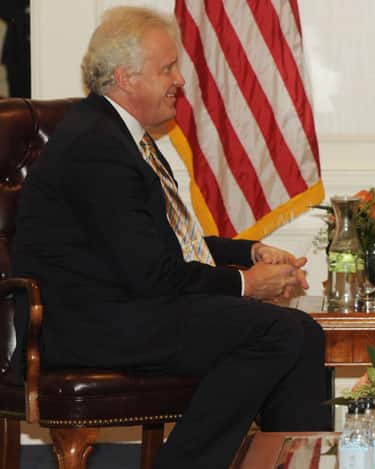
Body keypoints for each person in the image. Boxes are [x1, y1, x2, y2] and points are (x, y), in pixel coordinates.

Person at [11, 6, 328, 468]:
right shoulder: (97, 147)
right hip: (88, 324)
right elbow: (153, 271)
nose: (180, 79)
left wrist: (250, 252)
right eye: (167, 68)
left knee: (301, 333)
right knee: (278, 332)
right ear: (125, 77)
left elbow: (164, 243)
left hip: (128, 308)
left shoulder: (117, 136)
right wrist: (246, 284)